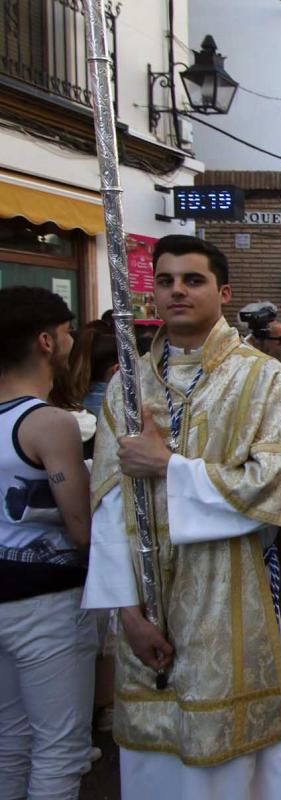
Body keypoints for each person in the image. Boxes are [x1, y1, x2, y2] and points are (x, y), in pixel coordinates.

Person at [82, 235, 281, 799]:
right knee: (156, 764)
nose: (177, 291)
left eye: (192, 280)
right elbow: (108, 505)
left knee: (227, 764)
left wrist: (170, 468)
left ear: (223, 292)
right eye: (166, 280)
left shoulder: (264, 379)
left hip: (231, 598)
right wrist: (127, 614)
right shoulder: (128, 385)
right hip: (146, 603)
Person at [0, 287, 96, 800]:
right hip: (46, 605)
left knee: (9, 742)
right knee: (60, 750)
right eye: (65, 332)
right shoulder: (48, 423)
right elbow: (80, 529)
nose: (70, 340)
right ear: (45, 341)